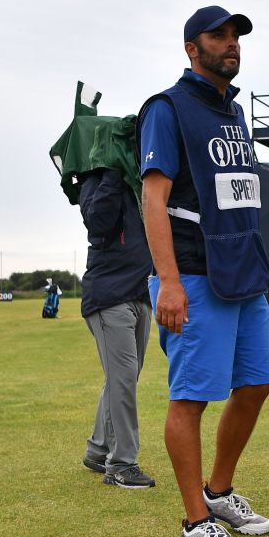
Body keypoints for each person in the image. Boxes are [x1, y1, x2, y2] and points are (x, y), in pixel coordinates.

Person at [138, 5, 269, 537]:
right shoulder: (167, 109)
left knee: (256, 385)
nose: (231, 44)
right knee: (190, 399)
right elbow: (153, 200)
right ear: (192, 49)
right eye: (218, 37)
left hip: (244, 275)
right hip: (193, 275)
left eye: (236, 36)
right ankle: (195, 525)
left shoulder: (233, 113)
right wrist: (168, 283)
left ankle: (217, 493)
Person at [78, 167, 155, 489]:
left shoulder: (144, 186)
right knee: (122, 381)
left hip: (141, 293)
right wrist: (111, 176)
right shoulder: (94, 182)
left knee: (123, 379)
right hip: (109, 297)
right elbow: (97, 225)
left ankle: (98, 449)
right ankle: (122, 464)